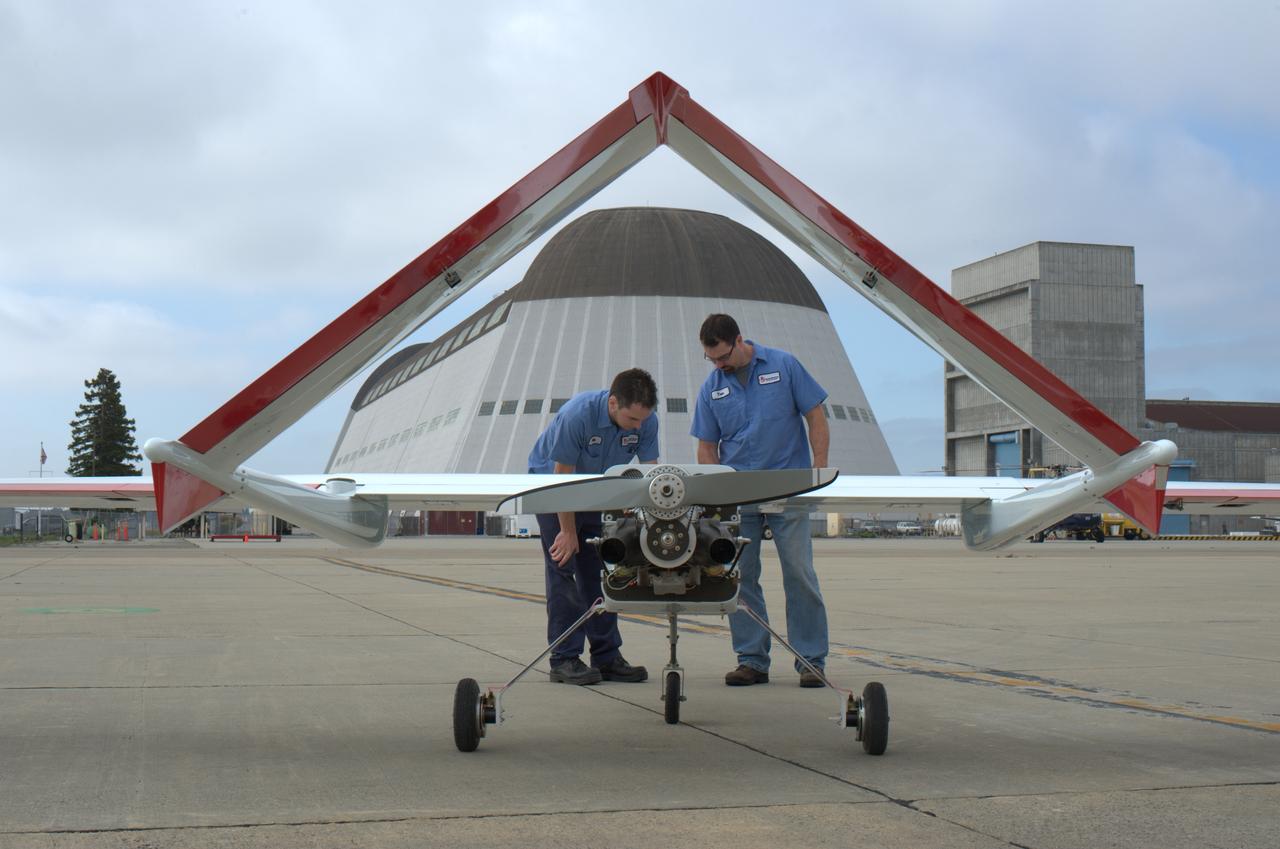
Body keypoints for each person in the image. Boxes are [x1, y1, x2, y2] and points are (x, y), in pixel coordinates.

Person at [690, 314, 831, 688]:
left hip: (789, 490)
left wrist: (818, 471)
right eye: (712, 359)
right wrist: (716, 499)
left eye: (722, 356)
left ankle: (811, 660)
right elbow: (706, 446)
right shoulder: (712, 388)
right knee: (740, 577)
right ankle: (752, 659)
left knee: (799, 574)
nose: (718, 365)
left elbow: (815, 416)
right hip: (739, 498)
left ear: (739, 341)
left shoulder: (784, 366)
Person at [527, 368, 659, 685]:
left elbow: (653, 473)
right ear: (613, 404)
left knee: (601, 574)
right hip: (552, 492)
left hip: (598, 493)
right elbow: (562, 478)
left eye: (643, 420)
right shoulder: (579, 415)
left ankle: (607, 656)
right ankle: (564, 659)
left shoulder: (645, 420)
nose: (639, 427)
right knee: (564, 570)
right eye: (632, 420)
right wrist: (568, 531)